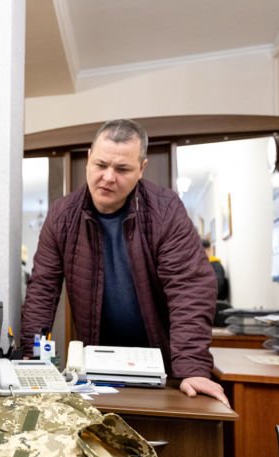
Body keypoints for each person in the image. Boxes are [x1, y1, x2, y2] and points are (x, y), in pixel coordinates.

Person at [21, 119, 229, 406]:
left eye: (122, 169)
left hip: (163, 365)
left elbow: (189, 288)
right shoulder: (62, 216)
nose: (108, 177)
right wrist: (29, 357)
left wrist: (192, 368)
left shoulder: (165, 210)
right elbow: (43, 289)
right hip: (97, 366)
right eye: (101, 165)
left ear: (141, 169)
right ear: (89, 159)